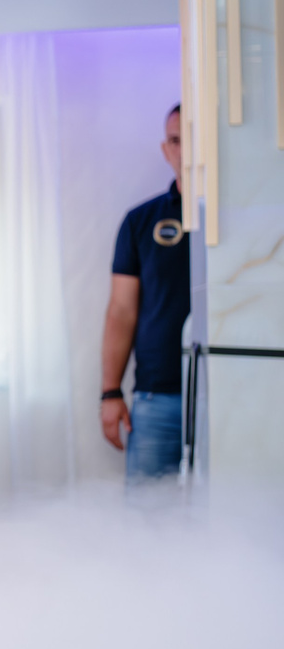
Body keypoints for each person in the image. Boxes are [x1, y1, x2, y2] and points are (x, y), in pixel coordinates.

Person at [101, 104, 187, 480]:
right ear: (165, 150)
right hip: (157, 398)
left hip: (232, 395)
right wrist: (110, 392)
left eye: (194, 139)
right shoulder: (140, 222)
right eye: (176, 140)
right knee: (149, 513)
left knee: (234, 508)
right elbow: (121, 311)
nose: (185, 150)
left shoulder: (240, 219)